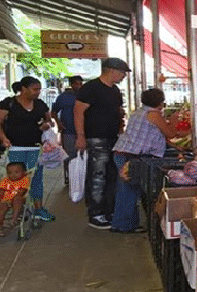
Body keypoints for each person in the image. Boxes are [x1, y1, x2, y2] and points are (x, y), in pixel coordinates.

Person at [111, 88, 178, 233]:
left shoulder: (140, 112)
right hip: (130, 156)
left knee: (128, 189)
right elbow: (171, 133)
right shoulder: (153, 114)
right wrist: (173, 120)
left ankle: (124, 223)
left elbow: (157, 135)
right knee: (128, 191)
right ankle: (123, 225)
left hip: (124, 153)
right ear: (160, 102)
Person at [75, 58, 129, 230]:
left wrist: (121, 128)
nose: (123, 77)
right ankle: (96, 213)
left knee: (112, 175)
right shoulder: (90, 88)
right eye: (122, 73)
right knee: (98, 176)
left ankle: (108, 210)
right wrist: (81, 136)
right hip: (95, 138)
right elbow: (78, 113)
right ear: (111, 70)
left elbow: (118, 112)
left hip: (112, 138)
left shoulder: (115, 90)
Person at [0, 76, 55, 222]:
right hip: (15, 148)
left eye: (39, 89)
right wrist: (3, 138)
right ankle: (15, 207)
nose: (38, 92)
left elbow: (49, 120)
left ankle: (38, 208)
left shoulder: (40, 104)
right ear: (23, 89)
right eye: (35, 89)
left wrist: (47, 125)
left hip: (36, 147)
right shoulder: (8, 104)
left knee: (36, 178)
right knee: (16, 179)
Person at [51, 75, 83, 184]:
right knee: (69, 155)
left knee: (83, 155)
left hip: (83, 132)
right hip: (68, 130)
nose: (78, 86)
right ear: (71, 84)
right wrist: (58, 123)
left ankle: (81, 177)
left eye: (80, 83)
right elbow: (53, 112)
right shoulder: (63, 97)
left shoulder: (85, 96)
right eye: (76, 83)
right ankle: (69, 177)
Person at [0, 162, 30, 237]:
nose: (13, 175)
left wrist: (16, 196)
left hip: (18, 198)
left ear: (24, 172)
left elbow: (23, 191)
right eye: (10, 173)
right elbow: (0, 190)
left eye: (16, 172)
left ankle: (14, 219)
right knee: (1, 208)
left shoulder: (24, 180)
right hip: (6, 200)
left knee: (18, 199)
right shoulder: (5, 180)